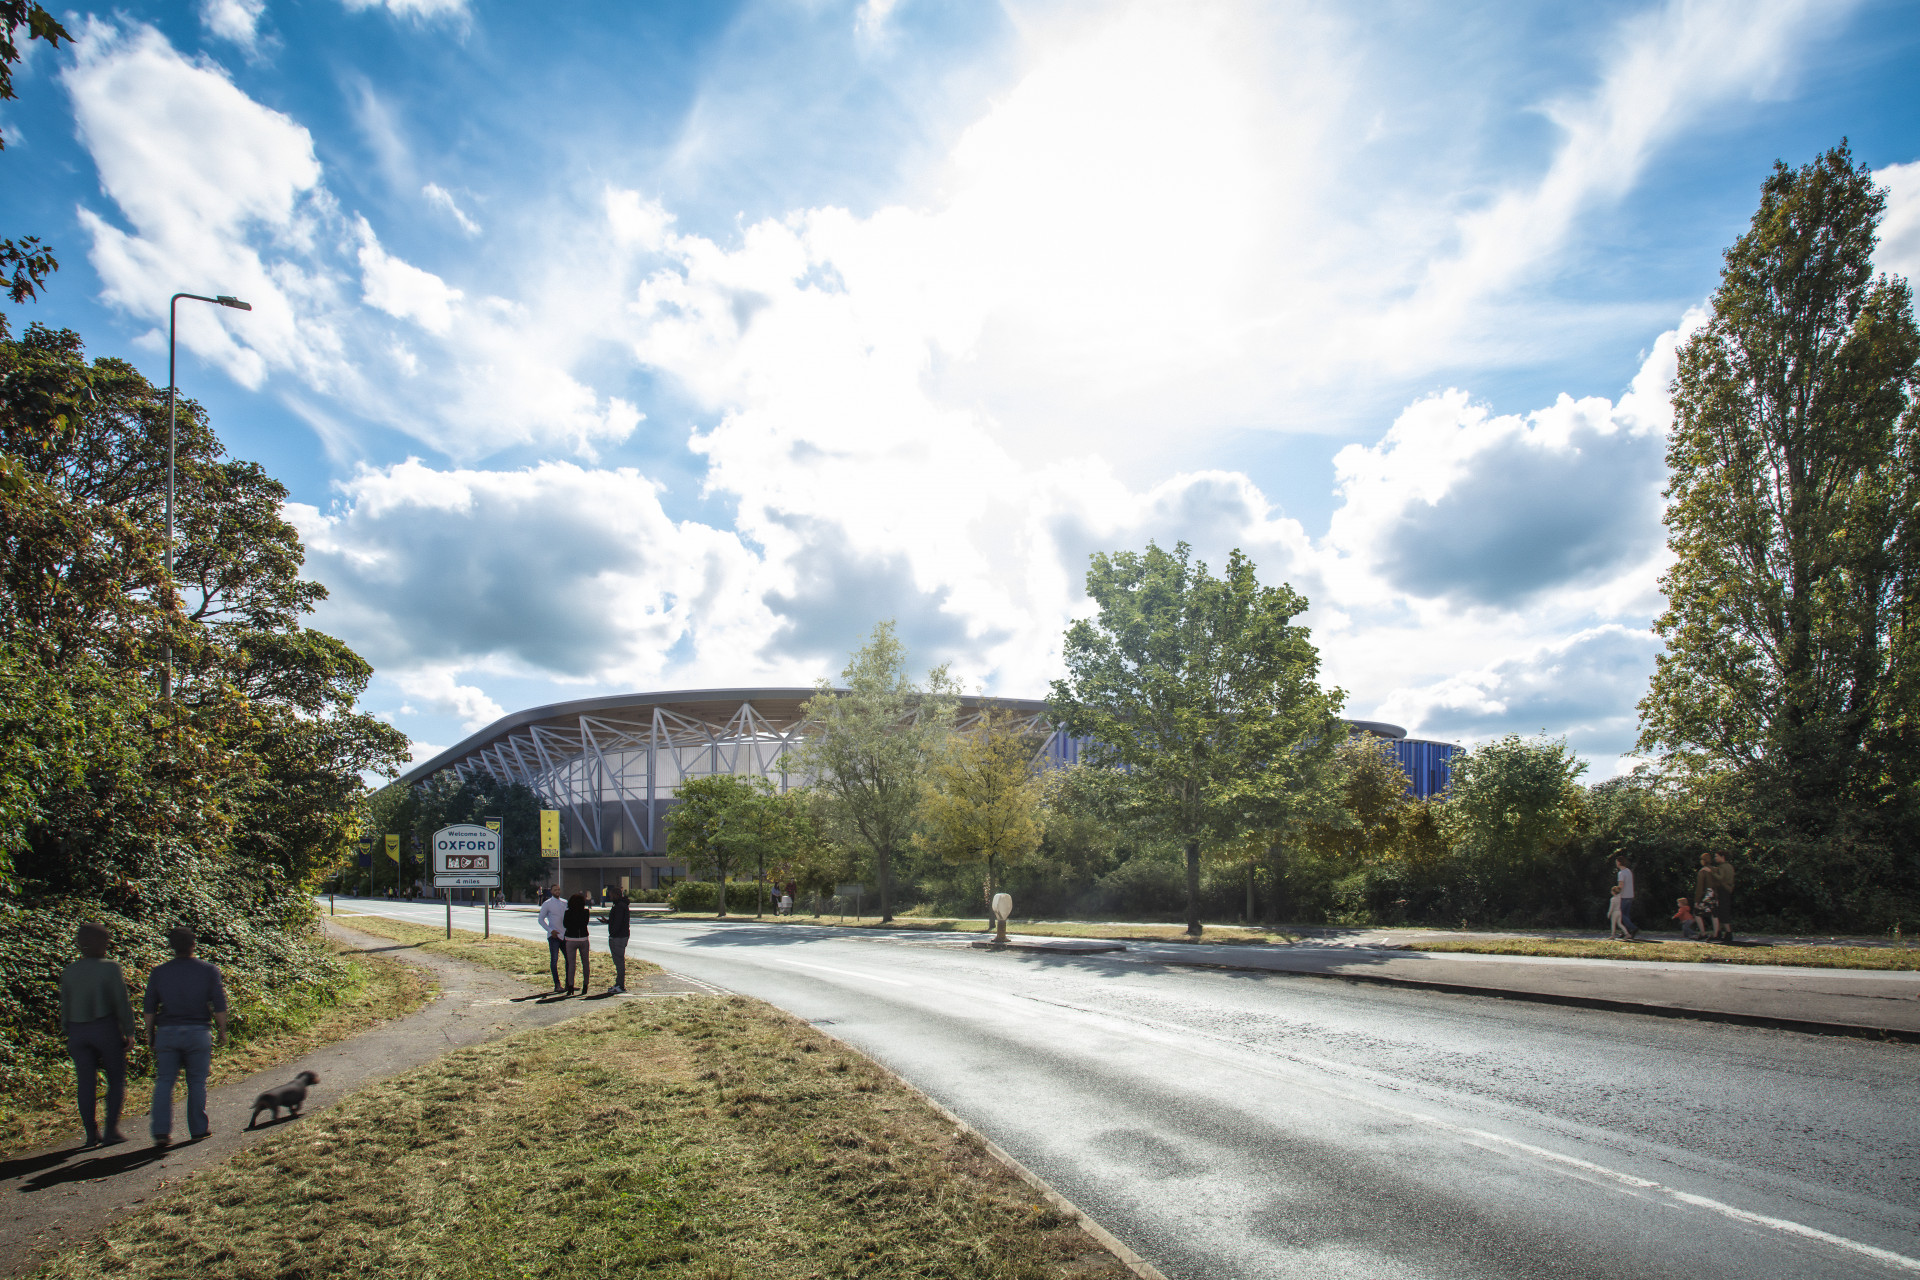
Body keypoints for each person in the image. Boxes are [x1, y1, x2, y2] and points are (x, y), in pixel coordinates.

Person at [143, 926, 229, 1146]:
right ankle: (198, 1129)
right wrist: (222, 1030)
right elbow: (219, 1003)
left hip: (167, 1032)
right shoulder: (208, 970)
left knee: (164, 1081)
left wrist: (149, 1034)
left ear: (171, 946)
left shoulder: (159, 972)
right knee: (197, 1082)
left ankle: (161, 1131)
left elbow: (150, 1007)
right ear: (193, 944)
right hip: (198, 1032)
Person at [59, 923, 135, 1148]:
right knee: (116, 1079)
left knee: (85, 1083)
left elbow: (65, 1006)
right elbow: (121, 1002)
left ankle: (91, 1133)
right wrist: (129, 1031)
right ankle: (111, 1130)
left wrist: (69, 1030)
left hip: (77, 1031)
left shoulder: (69, 971)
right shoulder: (110, 967)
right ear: (103, 943)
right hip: (105, 1028)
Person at [602, 887, 631, 994]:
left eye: (611, 895)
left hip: (618, 937)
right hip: (622, 935)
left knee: (619, 962)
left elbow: (618, 922)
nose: (610, 897)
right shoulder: (621, 905)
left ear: (616, 895)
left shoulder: (619, 906)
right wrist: (608, 922)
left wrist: (612, 934)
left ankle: (620, 985)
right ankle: (619, 984)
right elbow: (618, 920)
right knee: (619, 961)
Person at [538, 886, 567, 992]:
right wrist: (550, 931)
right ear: (551, 891)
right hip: (553, 936)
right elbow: (541, 919)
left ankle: (569, 983)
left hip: (565, 936)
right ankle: (557, 984)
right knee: (554, 960)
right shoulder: (547, 904)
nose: (557, 891)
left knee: (569, 960)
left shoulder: (565, 902)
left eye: (558, 890)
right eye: (555, 890)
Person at [562, 893, 592, 994]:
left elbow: (565, 924)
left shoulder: (568, 913)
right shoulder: (586, 912)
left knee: (571, 964)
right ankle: (585, 985)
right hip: (583, 938)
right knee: (585, 963)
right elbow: (585, 923)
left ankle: (570, 986)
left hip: (570, 938)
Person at [1710, 852, 1737, 942]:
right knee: (1723, 910)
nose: (1715, 858)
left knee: (1721, 911)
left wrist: (1712, 872)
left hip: (1722, 889)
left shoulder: (1722, 867)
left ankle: (1726, 933)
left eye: (1716, 856)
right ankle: (1723, 932)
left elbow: (1720, 878)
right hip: (1728, 889)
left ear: (1722, 857)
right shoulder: (1730, 866)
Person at [1613, 856, 1637, 940]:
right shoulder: (1628, 871)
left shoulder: (1621, 873)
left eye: (1616, 862)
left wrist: (1616, 893)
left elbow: (1621, 885)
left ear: (1619, 862)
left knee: (1621, 914)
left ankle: (1633, 928)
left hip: (1624, 896)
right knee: (1626, 915)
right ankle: (1625, 931)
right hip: (1630, 895)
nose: (1616, 863)